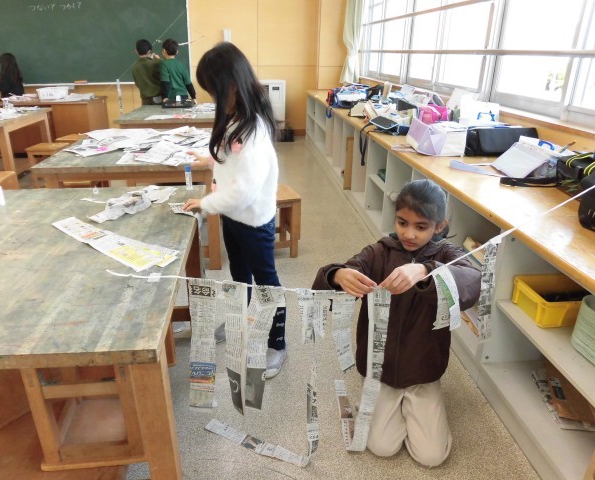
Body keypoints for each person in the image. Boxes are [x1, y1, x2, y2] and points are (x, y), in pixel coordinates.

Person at [312, 179, 481, 467]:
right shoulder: (378, 252)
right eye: (402, 223)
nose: (409, 234)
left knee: (432, 456)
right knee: (382, 447)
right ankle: (386, 402)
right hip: (382, 368)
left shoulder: (446, 254)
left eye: (421, 226)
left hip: (423, 369)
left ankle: (417, 404)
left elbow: (472, 281)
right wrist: (338, 275)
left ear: (439, 226)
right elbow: (332, 277)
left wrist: (425, 270)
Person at [182, 42, 286, 378]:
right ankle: (239, 319)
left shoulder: (253, 132)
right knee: (239, 276)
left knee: (267, 283)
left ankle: (277, 343)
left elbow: (243, 192)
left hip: (253, 221)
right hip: (234, 218)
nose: (214, 100)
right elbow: (231, 158)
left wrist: (206, 204)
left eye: (214, 92)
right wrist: (209, 160)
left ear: (232, 86)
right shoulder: (236, 119)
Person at [160, 38, 196, 103]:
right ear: (177, 52)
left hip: (172, 97)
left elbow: (165, 82)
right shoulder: (181, 64)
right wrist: (193, 97)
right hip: (184, 96)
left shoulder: (164, 64)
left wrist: (165, 96)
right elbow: (188, 82)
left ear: (164, 50)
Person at [131, 39, 162, 105]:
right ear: (149, 51)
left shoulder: (134, 67)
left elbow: (137, 84)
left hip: (145, 100)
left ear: (136, 51)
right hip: (158, 98)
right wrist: (159, 60)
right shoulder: (156, 63)